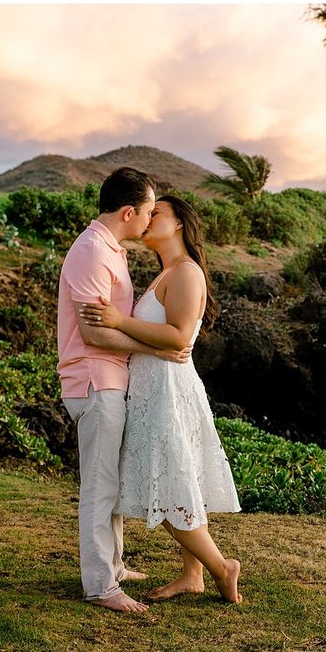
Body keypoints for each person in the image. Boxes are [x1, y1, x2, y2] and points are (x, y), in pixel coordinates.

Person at [80, 194, 243, 604]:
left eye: (158, 214)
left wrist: (120, 321)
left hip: (169, 389)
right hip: (155, 386)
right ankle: (193, 575)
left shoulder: (186, 273)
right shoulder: (166, 273)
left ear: (180, 226)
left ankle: (222, 567)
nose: (149, 219)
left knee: (169, 489)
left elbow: (178, 335)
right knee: (178, 479)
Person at [57, 167, 191, 614]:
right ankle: (100, 585)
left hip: (111, 380)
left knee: (109, 484)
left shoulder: (109, 249)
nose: (151, 218)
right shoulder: (92, 252)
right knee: (99, 486)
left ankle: (112, 565)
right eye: (150, 211)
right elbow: (95, 334)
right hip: (94, 379)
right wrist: (154, 349)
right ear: (129, 211)